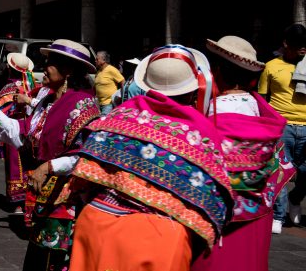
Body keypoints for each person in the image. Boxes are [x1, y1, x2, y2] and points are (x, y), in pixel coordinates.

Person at [69, 44, 234, 271]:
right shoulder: (202, 134)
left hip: (96, 224)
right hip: (159, 241)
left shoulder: (119, 116)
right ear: (192, 89)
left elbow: (83, 181)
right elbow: (216, 204)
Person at [0, 39, 100, 271]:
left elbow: (85, 155)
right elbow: (23, 136)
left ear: (68, 70)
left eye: (49, 63)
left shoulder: (83, 106)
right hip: (44, 199)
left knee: (57, 259)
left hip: (67, 201)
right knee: (39, 257)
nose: (43, 68)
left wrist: (48, 167)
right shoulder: (47, 103)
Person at [191, 36, 296, 271]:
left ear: (215, 71)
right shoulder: (262, 116)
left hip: (218, 221)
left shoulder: (211, 119)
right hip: (257, 217)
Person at [258, 24, 306, 233]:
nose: (302, 49)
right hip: (282, 125)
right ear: (286, 45)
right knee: (280, 171)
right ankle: (279, 214)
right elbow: (262, 98)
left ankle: (296, 198)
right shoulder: (271, 66)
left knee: (304, 170)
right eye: (298, 46)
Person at [0, 53, 36, 213]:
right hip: (31, 129)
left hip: (15, 129)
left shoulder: (8, 88)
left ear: (10, 70)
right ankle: (30, 198)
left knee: (15, 165)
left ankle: (18, 202)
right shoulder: (32, 85)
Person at [94, 50, 124, 115]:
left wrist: (122, 97)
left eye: (97, 59)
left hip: (108, 104)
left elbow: (122, 81)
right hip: (99, 104)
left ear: (103, 60)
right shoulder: (98, 71)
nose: (95, 61)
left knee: (103, 124)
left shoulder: (111, 70)